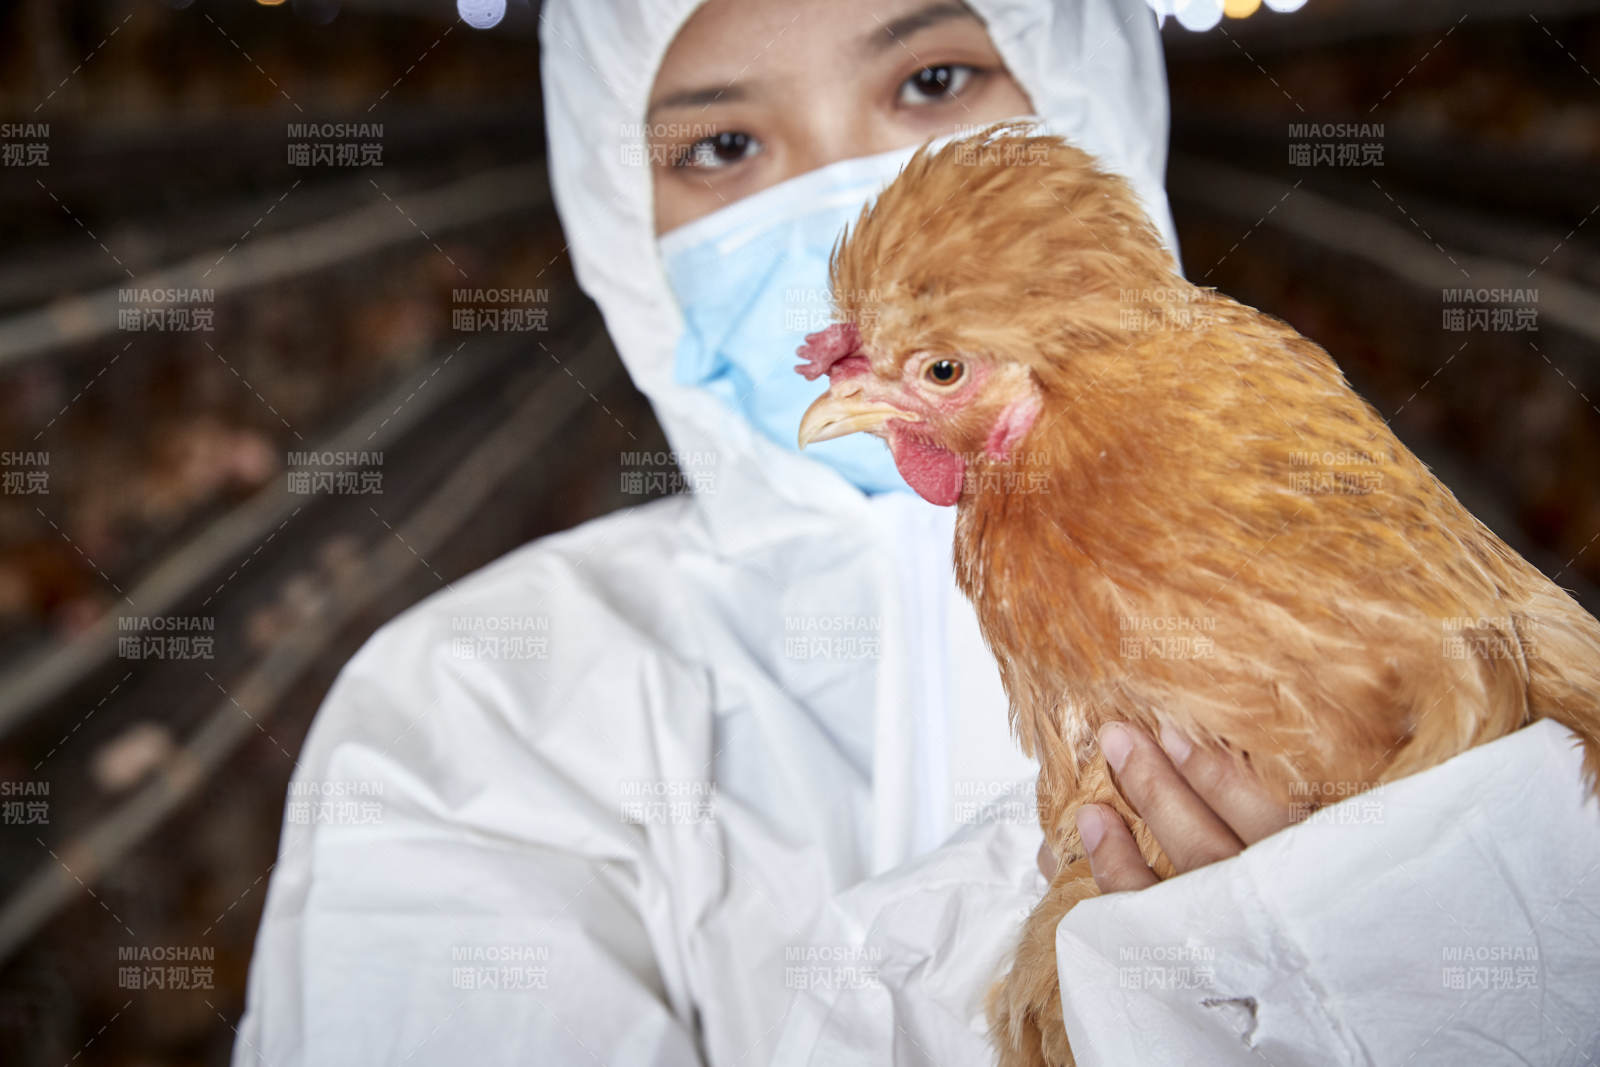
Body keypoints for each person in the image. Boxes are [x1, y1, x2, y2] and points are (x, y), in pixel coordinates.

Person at [233, 1, 1600, 1064]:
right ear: (615, 211)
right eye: (721, 145)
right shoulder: (485, 702)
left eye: (932, 82)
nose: (853, 182)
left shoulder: (1408, 594)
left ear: (1085, 98)